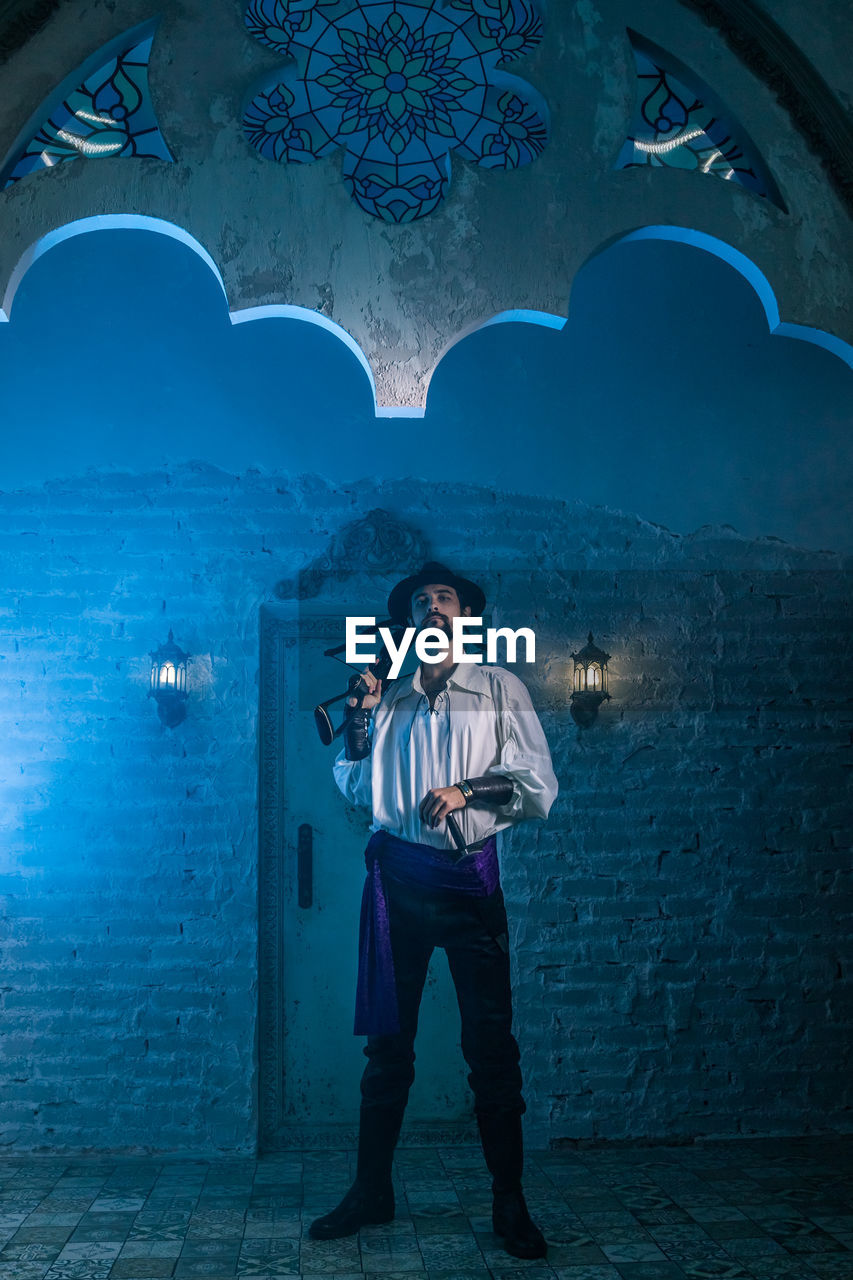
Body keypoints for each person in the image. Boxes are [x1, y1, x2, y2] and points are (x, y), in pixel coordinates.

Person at [309, 562, 558, 1259]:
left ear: (468, 617)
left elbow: (538, 788)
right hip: (397, 887)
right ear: (409, 623)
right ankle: (371, 1191)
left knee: (490, 1052)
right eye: (420, 602)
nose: (432, 608)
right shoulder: (387, 698)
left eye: (444, 598)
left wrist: (465, 791)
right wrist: (359, 715)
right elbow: (356, 794)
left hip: (471, 888)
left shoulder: (500, 688)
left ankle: (509, 1204)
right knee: (387, 1050)